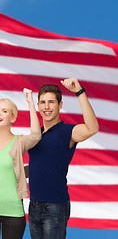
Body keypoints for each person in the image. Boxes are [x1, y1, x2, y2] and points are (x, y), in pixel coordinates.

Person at [28, 77, 99, 239]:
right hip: (33, 206)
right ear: (38, 105)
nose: (47, 107)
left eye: (51, 102)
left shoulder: (68, 132)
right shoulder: (36, 135)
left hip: (55, 207)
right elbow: (37, 167)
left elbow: (92, 128)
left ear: (60, 105)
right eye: (43, 102)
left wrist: (79, 92)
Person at [0, 89, 41, 239]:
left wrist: (31, 103)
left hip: (13, 212)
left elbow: (36, 135)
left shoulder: (19, 142)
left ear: (13, 117)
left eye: (4, 111)